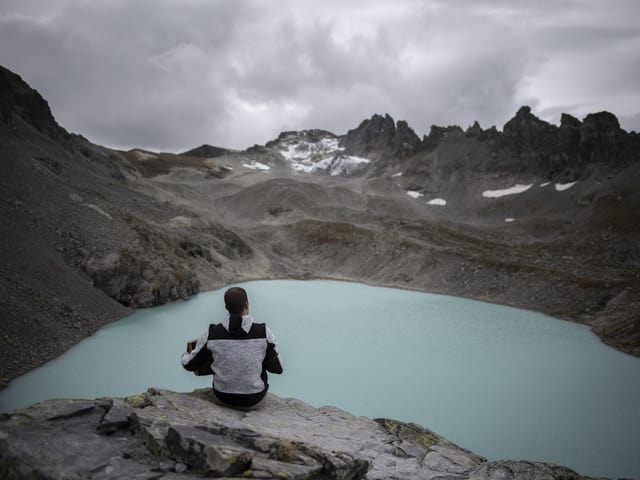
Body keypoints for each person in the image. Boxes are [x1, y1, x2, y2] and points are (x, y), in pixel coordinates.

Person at [181, 287, 283, 409]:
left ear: (226, 307)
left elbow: (189, 365)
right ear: (247, 304)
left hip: (223, 397)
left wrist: (184, 355)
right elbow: (278, 368)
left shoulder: (212, 333)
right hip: (254, 399)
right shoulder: (264, 332)